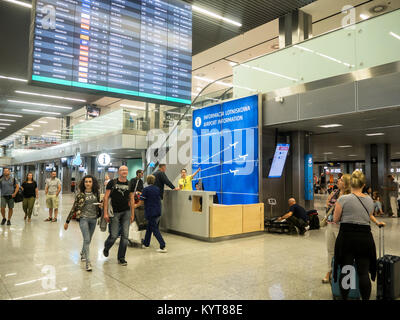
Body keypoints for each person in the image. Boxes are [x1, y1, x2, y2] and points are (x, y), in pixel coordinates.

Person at [333, 170, 385, 300]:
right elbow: (368, 216)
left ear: (350, 183)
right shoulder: (369, 200)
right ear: (363, 184)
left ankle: (345, 298)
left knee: (346, 270)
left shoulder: (343, 199)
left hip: (347, 237)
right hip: (365, 238)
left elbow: (335, 219)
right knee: (363, 272)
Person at [64, 175, 102, 272]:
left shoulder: (96, 193)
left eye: (90, 181)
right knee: (87, 239)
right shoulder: (80, 195)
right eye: (86, 182)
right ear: (83, 183)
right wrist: (67, 221)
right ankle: (88, 263)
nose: (88, 183)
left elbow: (99, 204)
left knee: (88, 240)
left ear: (93, 183)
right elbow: (74, 208)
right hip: (83, 219)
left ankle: (82, 253)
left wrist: (101, 205)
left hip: (93, 219)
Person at [102, 166, 134, 266]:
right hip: (114, 212)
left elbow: (132, 199)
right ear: (119, 172)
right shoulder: (112, 183)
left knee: (125, 236)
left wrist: (132, 214)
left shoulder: (130, 184)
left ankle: (121, 257)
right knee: (114, 235)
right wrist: (105, 212)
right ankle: (107, 247)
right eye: (122, 170)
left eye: (126, 170)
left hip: (126, 212)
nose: (124, 172)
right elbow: (106, 198)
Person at [322, 174, 351, 284]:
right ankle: (329, 271)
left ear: (347, 183)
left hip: (341, 226)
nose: (338, 181)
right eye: (339, 179)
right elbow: (328, 205)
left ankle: (342, 273)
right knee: (330, 250)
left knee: (342, 251)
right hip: (330, 224)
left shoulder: (349, 195)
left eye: (342, 180)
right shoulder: (335, 193)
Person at [134, 175, 167, 252]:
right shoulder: (157, 189)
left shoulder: (146, 189)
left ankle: (162, 246)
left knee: (155, 229)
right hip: (157, 210)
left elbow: (141, 201)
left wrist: (135, 205)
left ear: (147, 180)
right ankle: (146, 243)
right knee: (149, 227)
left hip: (150, 211)